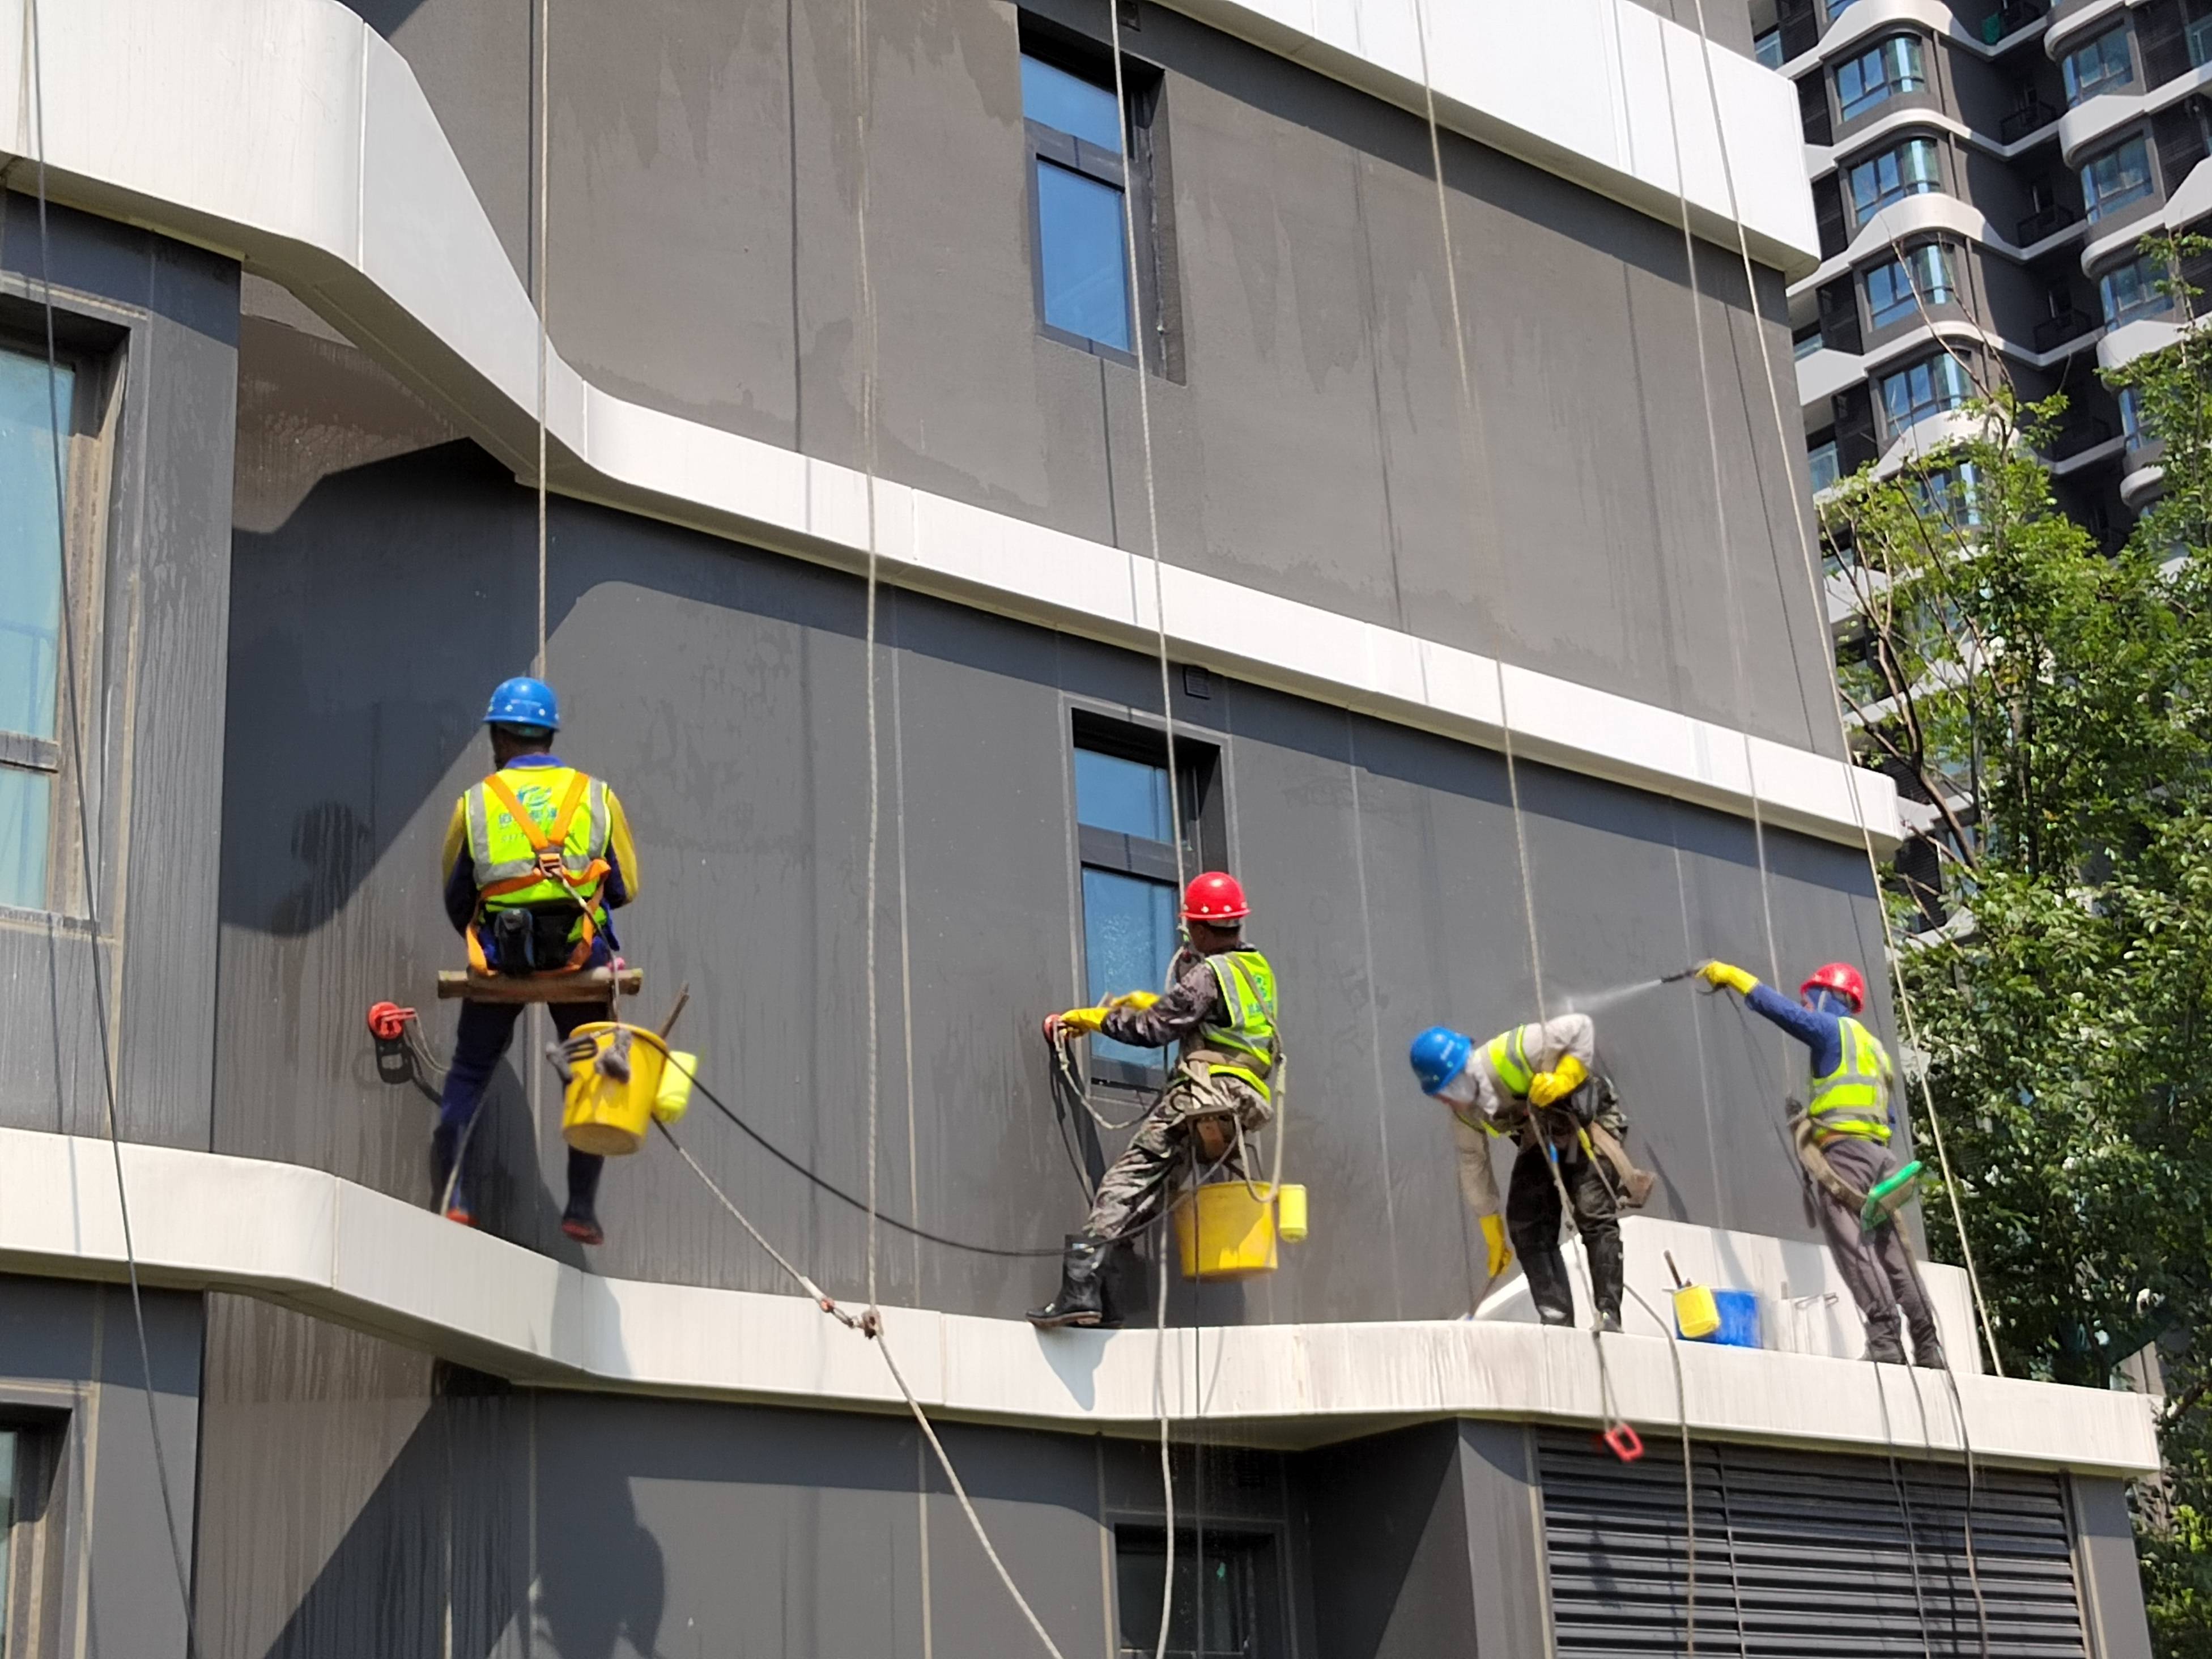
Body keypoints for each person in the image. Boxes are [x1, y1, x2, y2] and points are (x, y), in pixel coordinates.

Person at [432, 677, 641, 1245]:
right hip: (580, 963)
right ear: (550, 733)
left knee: (470, 1073)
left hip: (500, 964)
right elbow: (624, 887)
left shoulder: (474, 804)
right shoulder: (597, 797)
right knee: (594, 1072)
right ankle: (579, 1209)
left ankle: (454, 1195)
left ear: (497, 737)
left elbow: (456, 895)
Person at [1029, 871, 1279, 1328]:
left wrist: (1094, 1019)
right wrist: (1160, 1001)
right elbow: (1216, 1021)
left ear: (1201, 928)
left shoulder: (1210, 973)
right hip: (1244, 1100)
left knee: (1126, 1181)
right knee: (1151, 1195)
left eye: (1190, 929)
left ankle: (1080, 1288)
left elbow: (1153, 1030)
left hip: (1204, 1094)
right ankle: (1109, 1301)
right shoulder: (1257, 971)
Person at [1699, 958, 1943, 1367]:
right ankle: (1929, 1346)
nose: (1807, 1004)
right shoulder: (1876, 1051)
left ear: (1832, 996)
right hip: (1880, 1158)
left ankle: (1885, 1342)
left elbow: (1785, 1014)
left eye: (1811, 997)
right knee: (1892, 1252)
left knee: (1854, 1245)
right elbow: (1886, 1116)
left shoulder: (1833, 1031)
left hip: (1847, 1158)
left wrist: (1736, 978)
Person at [1408, 1014, 1649, 1331]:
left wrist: (1564, 1078)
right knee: (1527, 1224)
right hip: (1542, 1133)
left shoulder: (1512, 1051)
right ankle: (1556, 1319)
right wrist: (1491, 1227)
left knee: (1592, 1209)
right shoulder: (1464, 1115)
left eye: (1450, 1086)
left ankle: (1609, 1315)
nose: (1448, 1099)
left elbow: (1580, 1028)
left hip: (1590, 1120)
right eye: (1441, 1094)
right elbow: (1472, 1163)